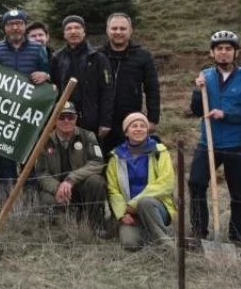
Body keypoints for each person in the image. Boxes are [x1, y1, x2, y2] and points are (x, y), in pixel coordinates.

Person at [188, 30, 241, 245]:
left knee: (238, 192)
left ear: (236, 52)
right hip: (208, 141)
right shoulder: (205, 76)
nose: (223, 53)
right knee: (196, 183)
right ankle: (199, 232)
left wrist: (227, 115)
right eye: (219, 49)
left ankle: (238, 237)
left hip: (238, 143)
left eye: (228, 49)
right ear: (212, 53)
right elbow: (195, 110)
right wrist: (197, 90)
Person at [0, 9, 51, 194]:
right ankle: (7, 199)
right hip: (4, 115)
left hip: (28, 115)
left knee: (29, 157)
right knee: (5, 160)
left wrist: (46, 74)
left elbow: (49, 74)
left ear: (24, 26)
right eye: (10, 24)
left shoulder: (38, 49)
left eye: (19, 23)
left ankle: (30, 198)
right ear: (5, 28)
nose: (15, 27)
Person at [82, 13, 161, 153]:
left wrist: (153, 118)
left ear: (130, 30)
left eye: (123, 29)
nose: (118, 32)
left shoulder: (143, 56)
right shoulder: (96, 56)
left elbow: (152, 88)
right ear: (107, 30)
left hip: (130, 120)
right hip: (102, 121)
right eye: (114, 28)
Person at [105, 112, 176, 250]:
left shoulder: (159, 152)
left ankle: (166, 245)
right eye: (134, 126)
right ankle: (151, 233)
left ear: (147, 130)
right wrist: (121, 214)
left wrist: (135, 203)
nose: (139, 129)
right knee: (130, 244)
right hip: (130, 212)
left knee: (145, 202)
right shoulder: (116, 157)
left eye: (143, 126)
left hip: (155, 207)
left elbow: (166, 182)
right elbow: (113, 189)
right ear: (126, 132)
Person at [34, 102, 107, 231]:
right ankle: (60, 227)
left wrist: (70, 180)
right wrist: (57, 188)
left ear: (76, 119)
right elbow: (41, 173)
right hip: (57, 190)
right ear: (54, 119)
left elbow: (97, 163)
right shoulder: (44, 140)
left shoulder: (88, 136)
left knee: (97, 182)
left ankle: (95, 225)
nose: (66, 121)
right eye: (61, 117)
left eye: (70, 117)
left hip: (80, 186)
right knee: (46, 200)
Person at [50, 15, 98, 99]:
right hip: (66, 108)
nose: (73, 31)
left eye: (77, 27)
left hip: (91, 108)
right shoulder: (57, 57)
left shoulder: (96, 56)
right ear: (64, 34)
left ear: (84, 32)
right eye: (69, 28)